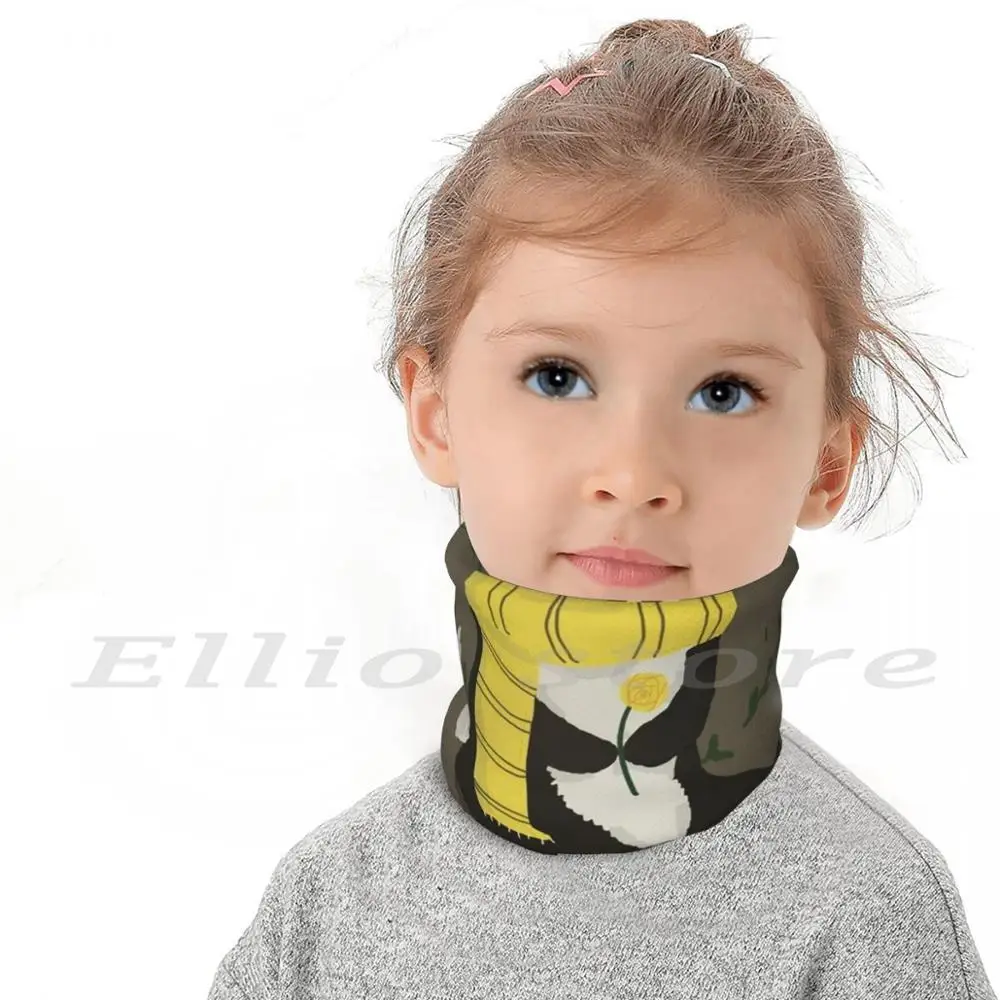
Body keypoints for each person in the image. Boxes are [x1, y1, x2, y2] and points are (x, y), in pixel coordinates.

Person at [207, 18, 995, 998]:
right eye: (557, 376)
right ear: (434, 413)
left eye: (722, 392)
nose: (632, 472)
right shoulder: (327, 906)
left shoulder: (865, 918)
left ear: (826, 465)